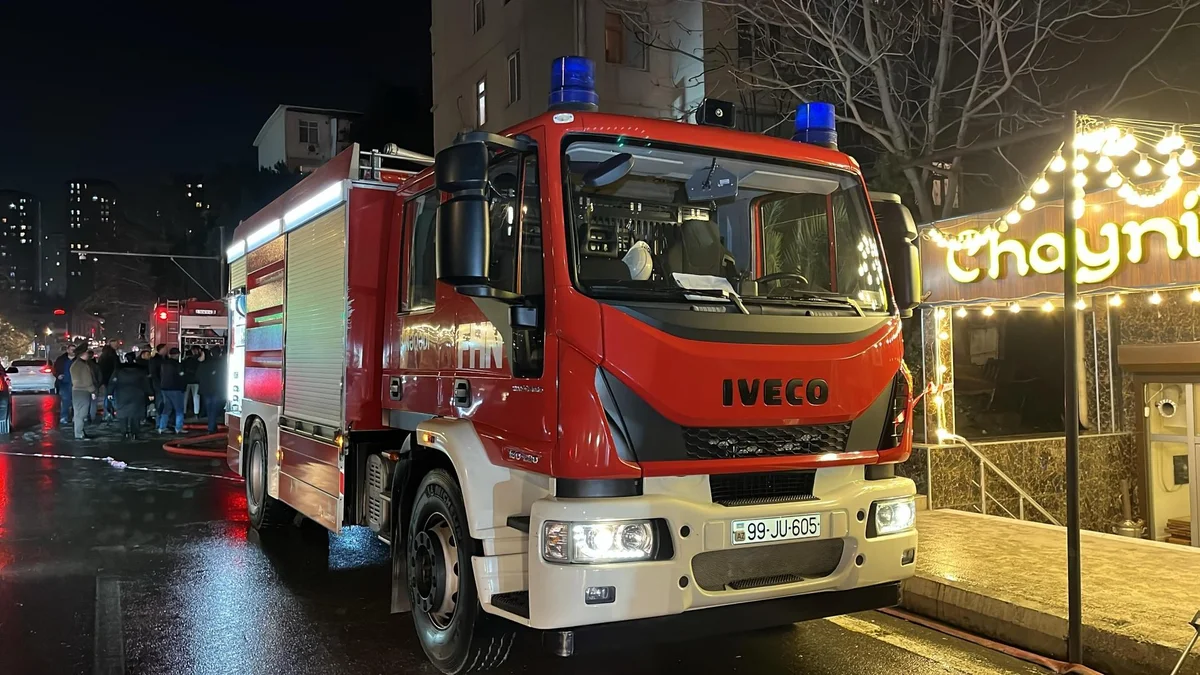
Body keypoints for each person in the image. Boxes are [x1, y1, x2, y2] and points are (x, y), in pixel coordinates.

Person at [110, 352, 153, 440]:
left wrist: (109, 392)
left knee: (122, 413)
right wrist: (150, 393)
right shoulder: (141, 370)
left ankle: (124, 431)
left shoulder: (119, 370)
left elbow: (112, 382)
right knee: (136, 414)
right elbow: (146, 383)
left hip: (122, 394)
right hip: (137, 394)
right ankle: (135, 432)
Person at [69, 346, 97, 440]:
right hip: (83, 391)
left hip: (76, 391)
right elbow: (87, 380)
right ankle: (79, 434)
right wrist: (92, 390)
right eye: (86, 353)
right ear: (82, 354)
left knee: (78, 413)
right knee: (81, 413)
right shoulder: (83, 366)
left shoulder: (75, 364)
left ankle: (80, 432)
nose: (88, 354)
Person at [157, 347, 187, 435]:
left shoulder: (163, 364)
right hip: (176, 388)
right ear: (177, 354)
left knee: (167, 408)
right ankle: (178, 428)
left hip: (164, 388)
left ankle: (162, 427)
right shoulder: (178, 365)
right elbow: (181, 377)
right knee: (179, 409)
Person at [196, 347, 225, 433]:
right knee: (214, 410)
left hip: (206, 390)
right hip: (217, 390)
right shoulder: (222, 364)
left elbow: (197, 376)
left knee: (209, 410)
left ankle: (212, 426)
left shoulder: (203, 364)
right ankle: (211, 428)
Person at [98, 339, 119, 421]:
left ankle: (108, 413)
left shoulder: (105, 354)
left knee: (108, 395)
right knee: (110, 395)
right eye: (116, 344)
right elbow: (115, 367)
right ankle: (108, 413)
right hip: (110, 378)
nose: (117, 346)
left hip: (107, 378)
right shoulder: (111, 354)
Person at [53, 348, 73, 425]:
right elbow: (55, 369)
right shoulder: (61, 359)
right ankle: (64, 417)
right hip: (64, 383)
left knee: (75, 401)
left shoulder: (77, 359)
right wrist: (58, 375)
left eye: (74, 349)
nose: (73, 351)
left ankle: (75, 417)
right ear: (68, 350)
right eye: (71, 349)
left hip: (75, 383)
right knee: (65, 400)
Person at [148, 343, 167, 419]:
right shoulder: (155, 360)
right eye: (165, 349)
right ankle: (158, 420)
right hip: (159, 383)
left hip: (164, 383)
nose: (166, 350)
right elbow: (153, 372)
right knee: (159, 401)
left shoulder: (164, 358)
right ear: (161, 350)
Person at [183, 345, 201, 418]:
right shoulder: (198, 360)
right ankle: (196, 413)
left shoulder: (185, 361)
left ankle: (184, 412)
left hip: (186, 380)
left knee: (185, 397)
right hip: (195, 380)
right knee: (196, 397)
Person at [86, 349, 101, 423]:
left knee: (85, 402)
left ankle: (85, 417)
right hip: (94, 385)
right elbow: (100, 376)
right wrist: (98, 384)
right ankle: (92, 417)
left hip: (84, 386)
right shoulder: (95, 365)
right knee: (93, 403)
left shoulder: (83, 365)